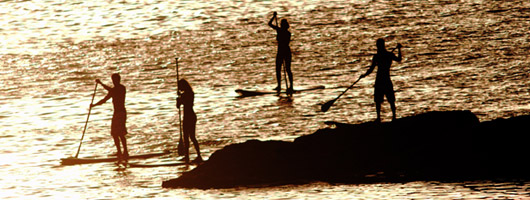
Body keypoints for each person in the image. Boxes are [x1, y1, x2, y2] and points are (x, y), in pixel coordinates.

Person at [360, 38, 402, 123]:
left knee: (387, 99)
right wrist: (399, 49)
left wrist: (399, 49)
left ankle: (390, 117)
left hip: (381, 79)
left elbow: (371, 69)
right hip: (384, 79)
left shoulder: (379, 56)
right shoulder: (387, 55)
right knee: (381, 100)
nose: (377, 47)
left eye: (378, 45)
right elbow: (399, 59)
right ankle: (385, 117)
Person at [91, 73, 129, 159]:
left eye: (115, 80)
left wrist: (101, 84)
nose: (114, 81)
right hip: (116, 113)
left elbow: (111, 90)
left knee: (121, 133)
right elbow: (104, 100)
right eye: (113, 80)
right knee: (114, 133)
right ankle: (119, 152)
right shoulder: (113, 91)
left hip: (121, 113)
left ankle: (125, 152)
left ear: (118, 80)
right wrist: (94, 105)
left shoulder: (121, 88)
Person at [176, 79, 203, 163]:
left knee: (192, 137)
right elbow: (178, 106)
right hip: (186, 117)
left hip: (190, 117)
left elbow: (187, 103)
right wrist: (178, 99)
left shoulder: (190, 94)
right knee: (186, 138)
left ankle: (199, 155)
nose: (179, 88)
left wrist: (181, 98)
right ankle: (187, 156)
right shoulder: (184, 94)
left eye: (180, 86)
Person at [268, 11, 294, 94]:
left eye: (283, 25)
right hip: (280, 52)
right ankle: (279, 86)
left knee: (288, 69)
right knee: (278, 69)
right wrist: (273, 16)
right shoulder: (279, 30)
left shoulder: (287, 33)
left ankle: (291, 86)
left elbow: (285, 42)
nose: (281, 26)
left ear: (285, 26)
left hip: (286, 52)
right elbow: (269, 24)